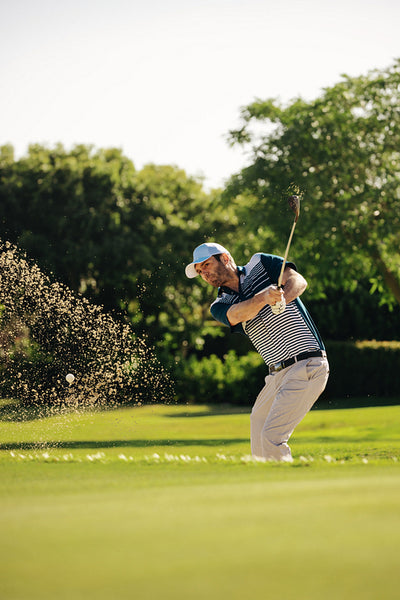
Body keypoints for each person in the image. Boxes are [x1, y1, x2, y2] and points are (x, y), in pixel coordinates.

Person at [185, 242, 329, 462]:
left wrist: (283, 297)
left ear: (224, 258)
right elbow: (238, 313)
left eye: (206, 265)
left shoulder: (260, 263)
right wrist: (264, 298)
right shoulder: (219, 304)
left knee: (272, 436)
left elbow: (298, 281)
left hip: (306, 364)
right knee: (258, 425)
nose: (203, 273)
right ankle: (268, 490)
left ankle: (287, 489)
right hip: (276, 375)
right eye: (199, 271)